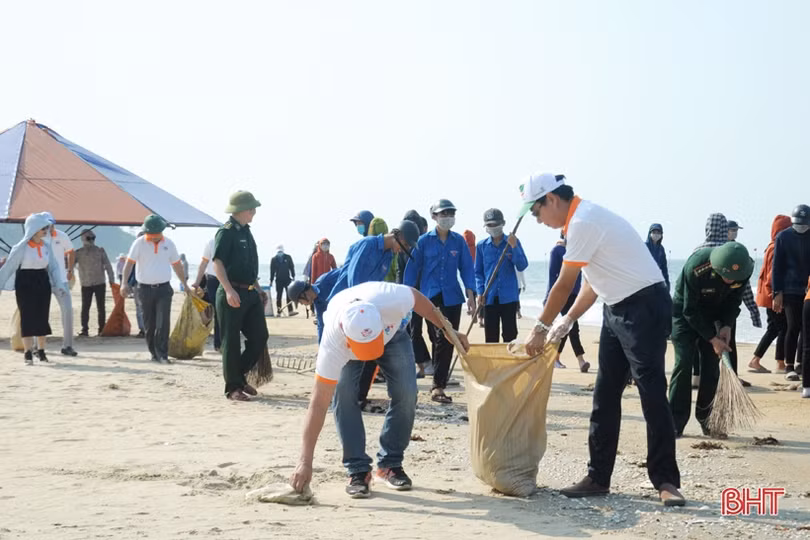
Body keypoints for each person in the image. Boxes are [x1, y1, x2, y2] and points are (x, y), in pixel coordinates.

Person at [520, 172, 683, 506]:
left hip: (645, 306)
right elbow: (591, 283)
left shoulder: (584, 221)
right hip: (615, 307)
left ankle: (666, 480)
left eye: (536, 212)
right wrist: (567, 319)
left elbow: (563, 284)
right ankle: (598, 477)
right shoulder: (577, 224)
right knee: (605, 394)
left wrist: (540, 328)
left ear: (551, 199)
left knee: (652, 392)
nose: (538, 220)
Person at [289, 281, 470, 498]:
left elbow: (417, 298)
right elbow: (318, 403)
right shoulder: (333, 343)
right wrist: (304, 462)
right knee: (344, 397)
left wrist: (447, 329)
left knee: (407, 392)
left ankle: (390, 465)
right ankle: (357, 470)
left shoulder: (392, 300)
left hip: (392, 335)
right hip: (348, 349)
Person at [669, 242, 755, 438]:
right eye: (726, 276)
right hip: (685, 314)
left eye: (734, 279)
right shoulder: (697, 266)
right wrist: (712, 338)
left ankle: (708, 420)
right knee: (683, 363)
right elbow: (689, 310)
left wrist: (726, 326)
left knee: (711, 367)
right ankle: (675, 421)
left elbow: (734, 301)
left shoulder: (744, 270)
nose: (729, 281)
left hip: (714, 314)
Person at [404, 199, 476, 404]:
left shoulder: (458, 241)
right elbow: (412, 269)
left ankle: (439, 383)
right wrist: (406, 295)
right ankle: (438, 385)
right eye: (443, 214)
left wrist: (471, 293)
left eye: (450, 214)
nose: (447, 217)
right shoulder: (423, 242)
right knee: (440, 336)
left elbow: (466, 268)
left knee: (448, 339)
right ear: (434, 216)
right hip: (430, 297)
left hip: (452, 296)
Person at [208, 191, 270, 401]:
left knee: (260, 336)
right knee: (231, 341)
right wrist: (228, 290)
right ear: (241, 210)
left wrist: (259, 289)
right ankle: (233, 387)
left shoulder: (246, 232)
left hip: (250, 291)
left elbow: (248, 266)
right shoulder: (226, 232)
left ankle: (238, 377)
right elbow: (218, 263)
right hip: (232, 291)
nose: (254, 212)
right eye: (251, 208)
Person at [692, 214, 761, 388]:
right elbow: (743, 285)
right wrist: (752, 308)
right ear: (725, 229)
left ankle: (698, 376)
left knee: (702, 341)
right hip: (726, 305)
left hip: (701, 307)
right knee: (728, 341)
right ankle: (731, 378)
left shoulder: (698, 251)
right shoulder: (729, 251)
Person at [0, 213, 68, 364]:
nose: (46, 230)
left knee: (42, 316)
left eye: (47, 228)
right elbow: (9, 267)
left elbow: (54, 267)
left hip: (42, 281)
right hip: (25, 283)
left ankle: (41, 351)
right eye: (43, 228)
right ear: (33, 228)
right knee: (27, 317)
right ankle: (27, 353)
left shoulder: (46, 246)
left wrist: (59, 285)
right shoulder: (20, 248)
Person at [120, 215, 189, 364]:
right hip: (144, 289)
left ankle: (163, 354)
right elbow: (129, 264)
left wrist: (185, 284)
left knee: (163, 323)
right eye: (150, 233)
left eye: (155, 233)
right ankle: (153, 353)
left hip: (164, 289)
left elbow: (177, 265)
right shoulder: (139, 243)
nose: (153, 236)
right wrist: (124, 283)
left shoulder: (169, 244)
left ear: (161, 231)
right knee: (149, 324)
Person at [474, 208, 528, 344]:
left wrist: (514, 247)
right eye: (490, 225)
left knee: (510, 335)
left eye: (496, 224)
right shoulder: (481, 246)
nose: (493, 227)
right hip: (489, 296)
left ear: (503, 223)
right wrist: (480, 292)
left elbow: (522, 265)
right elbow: (478, 272)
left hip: (509, 297)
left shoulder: (512, 241)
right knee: (491, 336)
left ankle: (509, 358)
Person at [749, 215, 793, 373]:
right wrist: (777, 295)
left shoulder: (771, 246)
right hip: (772, 296)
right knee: (783, 328)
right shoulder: (777, 248)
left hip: (767, 295)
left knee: (774, 328)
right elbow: (773, 276)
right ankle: (780, 363)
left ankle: (755, 360)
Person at [772, 204, 810, 382]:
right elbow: (777, 267)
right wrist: (776, 292)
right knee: (793, 325)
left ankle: (802, 362)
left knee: (806, 327)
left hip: (808, 289)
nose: (801, 227)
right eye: (798, 223)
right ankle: (789, 366)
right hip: (789, 289)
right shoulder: (783, 237)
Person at [545, 232, 589, 372]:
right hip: (562, 294)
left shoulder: (578, 250)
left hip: (575, 294)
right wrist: (548, 297)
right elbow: (552, 276)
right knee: (572, 326)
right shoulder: (557, 251)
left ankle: (555, 357)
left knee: (567, 325)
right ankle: (581, 360)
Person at [42, 212, 78, 356]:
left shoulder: (62, 236)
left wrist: (70, 269)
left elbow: (71, 251)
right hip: (42, 280)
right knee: (40, 312)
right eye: (46, 224)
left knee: (68, 310)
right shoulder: (37, 237)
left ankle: (67, 346)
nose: (49, 227)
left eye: (51, 224)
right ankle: (37, 347)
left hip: (61, 280)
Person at [402, 210, 431, 377]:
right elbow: (400, 270)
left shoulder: (424, 244)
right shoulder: (404, 245)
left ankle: (430, 364)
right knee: (413, 330)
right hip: (411, 295)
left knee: (431, 330)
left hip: (424, 294)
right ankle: (424, 363)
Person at [73, 229, 115, 336]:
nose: (91, 240)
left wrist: (112, 280)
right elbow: (69, 265)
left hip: (99, 283)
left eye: (93, 238)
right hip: (86, 284)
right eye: (89, 238)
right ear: (82, 239)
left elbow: (108, 265)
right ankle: (84, 329)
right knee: (85, 307)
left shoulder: (100, 251)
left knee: (101, 307)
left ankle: (101, 329)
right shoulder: (78, 253)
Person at [192, 237, 222, 352]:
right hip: (213, 280)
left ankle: (223, 342)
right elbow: (204, 263)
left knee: (227, 311)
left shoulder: (235, 239)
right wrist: (197, 282)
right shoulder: (212, 242)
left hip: (231, 280)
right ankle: (218, 344)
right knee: (218, 311)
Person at [270, 245, 296, 316]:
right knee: (279, 296)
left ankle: (290, 311)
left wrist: (293, 276)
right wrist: (271, 281)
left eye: (281, 251)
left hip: (287, 279)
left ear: (283, 251)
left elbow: (291, 267)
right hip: (278, 280)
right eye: (278, 252)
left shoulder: (288, 257)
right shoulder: (274, 259)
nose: (280, 253)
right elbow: (272, 271)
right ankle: (279, 312)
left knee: (289, 295)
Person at [645, 224, 670, 291]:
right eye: (654, 232)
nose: (656, 234)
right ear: (650, 233)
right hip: (646, 281)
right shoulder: (644, 247)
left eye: (658, 233)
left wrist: (667, 283)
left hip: (657, 280)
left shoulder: (661, 249)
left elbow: (664, 268)